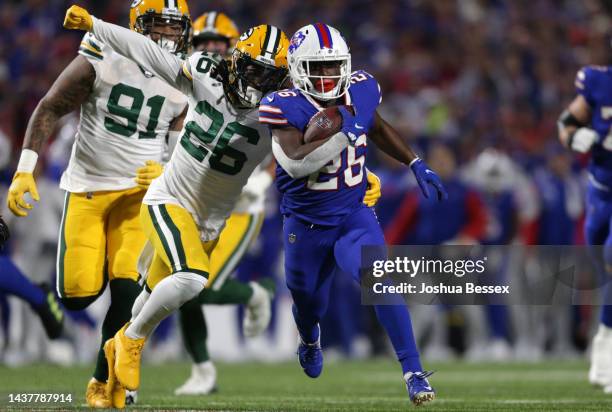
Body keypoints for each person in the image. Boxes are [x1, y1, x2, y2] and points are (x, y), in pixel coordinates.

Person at [63, 5, 290, 406]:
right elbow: (145, 51)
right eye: (252, 70)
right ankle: (130, 342)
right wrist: (97, 25)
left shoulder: (280, 113)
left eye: (267, 78)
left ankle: (111, 381)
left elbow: (307, 154)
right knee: (192, 280)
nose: (255, 84)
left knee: (151, 293)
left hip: (211, 220)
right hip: (170, 198)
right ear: (236, 60)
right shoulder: (203, 72)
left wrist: (357, 176)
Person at [7, 0, 189, 407]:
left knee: (128, 290)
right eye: (160, 26)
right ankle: (57, 303)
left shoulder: (185, 75)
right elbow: (49, 107)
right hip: (88, 188)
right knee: (76, 294)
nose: (170, 37)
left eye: (176, 28)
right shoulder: (102, 55)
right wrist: (25, 170)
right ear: (138, 27)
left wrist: (166, 171)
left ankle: (102, 382)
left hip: (139, 196)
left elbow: (183, 146)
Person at [260, 23, 446, 405]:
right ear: (297, 67)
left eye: (333, 66)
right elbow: (297, 163)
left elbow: (374, 125)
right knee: (308, 301)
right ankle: (310, 338)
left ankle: (413, 372)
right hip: (305, 223)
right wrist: (347, 131)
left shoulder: (360, 87)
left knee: (379, 281)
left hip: (352, 215)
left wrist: (414, 161)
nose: (328, 76)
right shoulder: (282, 104)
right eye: (318, 67)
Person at [558, 64, 612, 393]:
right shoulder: (598, 80)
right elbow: (565, 124)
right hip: (600, 193)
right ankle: (603, 339)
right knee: (603, 269)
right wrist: (574, 136)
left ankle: (605, 346)